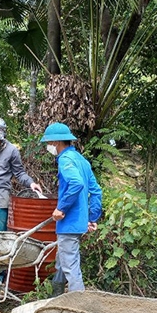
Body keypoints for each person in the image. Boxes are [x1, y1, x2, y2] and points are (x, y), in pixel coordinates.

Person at [40, 122, 102, 293]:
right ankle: (56, 295)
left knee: (71, 267)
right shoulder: (82, 161)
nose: (48, 146)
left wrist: (62, 208)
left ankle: (78, 307)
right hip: (79, 222)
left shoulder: (65, 160)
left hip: (69, 222)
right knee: (63, 260)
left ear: (57, 143)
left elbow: (76, 183)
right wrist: (92, 218)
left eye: (49, 143)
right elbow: (96, 191)